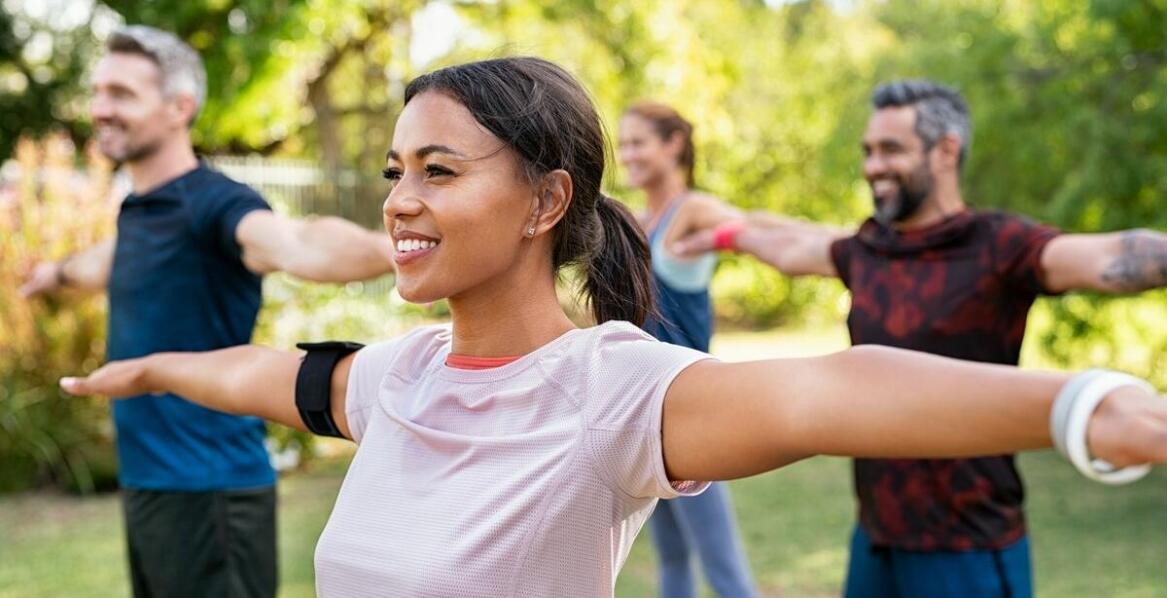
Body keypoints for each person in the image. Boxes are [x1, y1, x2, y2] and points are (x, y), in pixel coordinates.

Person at [59, 58, 1167, 598]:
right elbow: (267, 375)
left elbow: (832, 390)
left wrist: (1083, 404)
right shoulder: (400, 377)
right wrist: (153, 366)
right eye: (396, 170)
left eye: (438, 170)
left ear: (546, 200)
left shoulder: (609, 391)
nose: (398, 199)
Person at [670, 80, 1167, 598]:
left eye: (891, 149)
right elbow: (793, 246)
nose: (873, 166)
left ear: (946, 150)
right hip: (876, 541)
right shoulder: (868, 248)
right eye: (868, 151)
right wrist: (722, 236)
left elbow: (1108, 257)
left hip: (967, 546)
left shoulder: (997, 245)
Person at [20, 26, 395, 598]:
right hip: (151, 487)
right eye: (97, 92)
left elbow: (297, 243)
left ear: (179, 107)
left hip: (211, 493)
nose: (100, 108)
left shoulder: (216, 204)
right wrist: (54, 274)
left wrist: (394, 250)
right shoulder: (141, 210)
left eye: (121, 93)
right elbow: (105, 262)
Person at [617, 102, 755, 598]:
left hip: (692, 414)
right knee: (672, 558)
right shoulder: (637, 221)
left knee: (723, 570)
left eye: (638, 142)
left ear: (673, 143)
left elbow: (754, 229)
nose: (627, 154)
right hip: (644, 415)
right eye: (624, 144)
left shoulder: (692, 211)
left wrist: (724, 238)